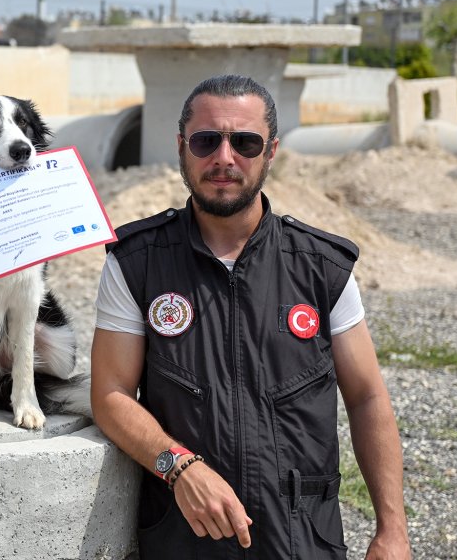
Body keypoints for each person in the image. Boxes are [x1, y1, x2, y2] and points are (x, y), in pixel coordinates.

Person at [89, 74, 410, 558]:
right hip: (185, 538)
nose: (224, 158)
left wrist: (392, 530)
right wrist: (179, 466)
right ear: (181, 147)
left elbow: (366, 397)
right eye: (206, 141)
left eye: (245, 142)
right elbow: (110, 394)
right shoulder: (137, 263)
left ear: (272, 150)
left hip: (302, 541)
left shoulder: (323, 267)